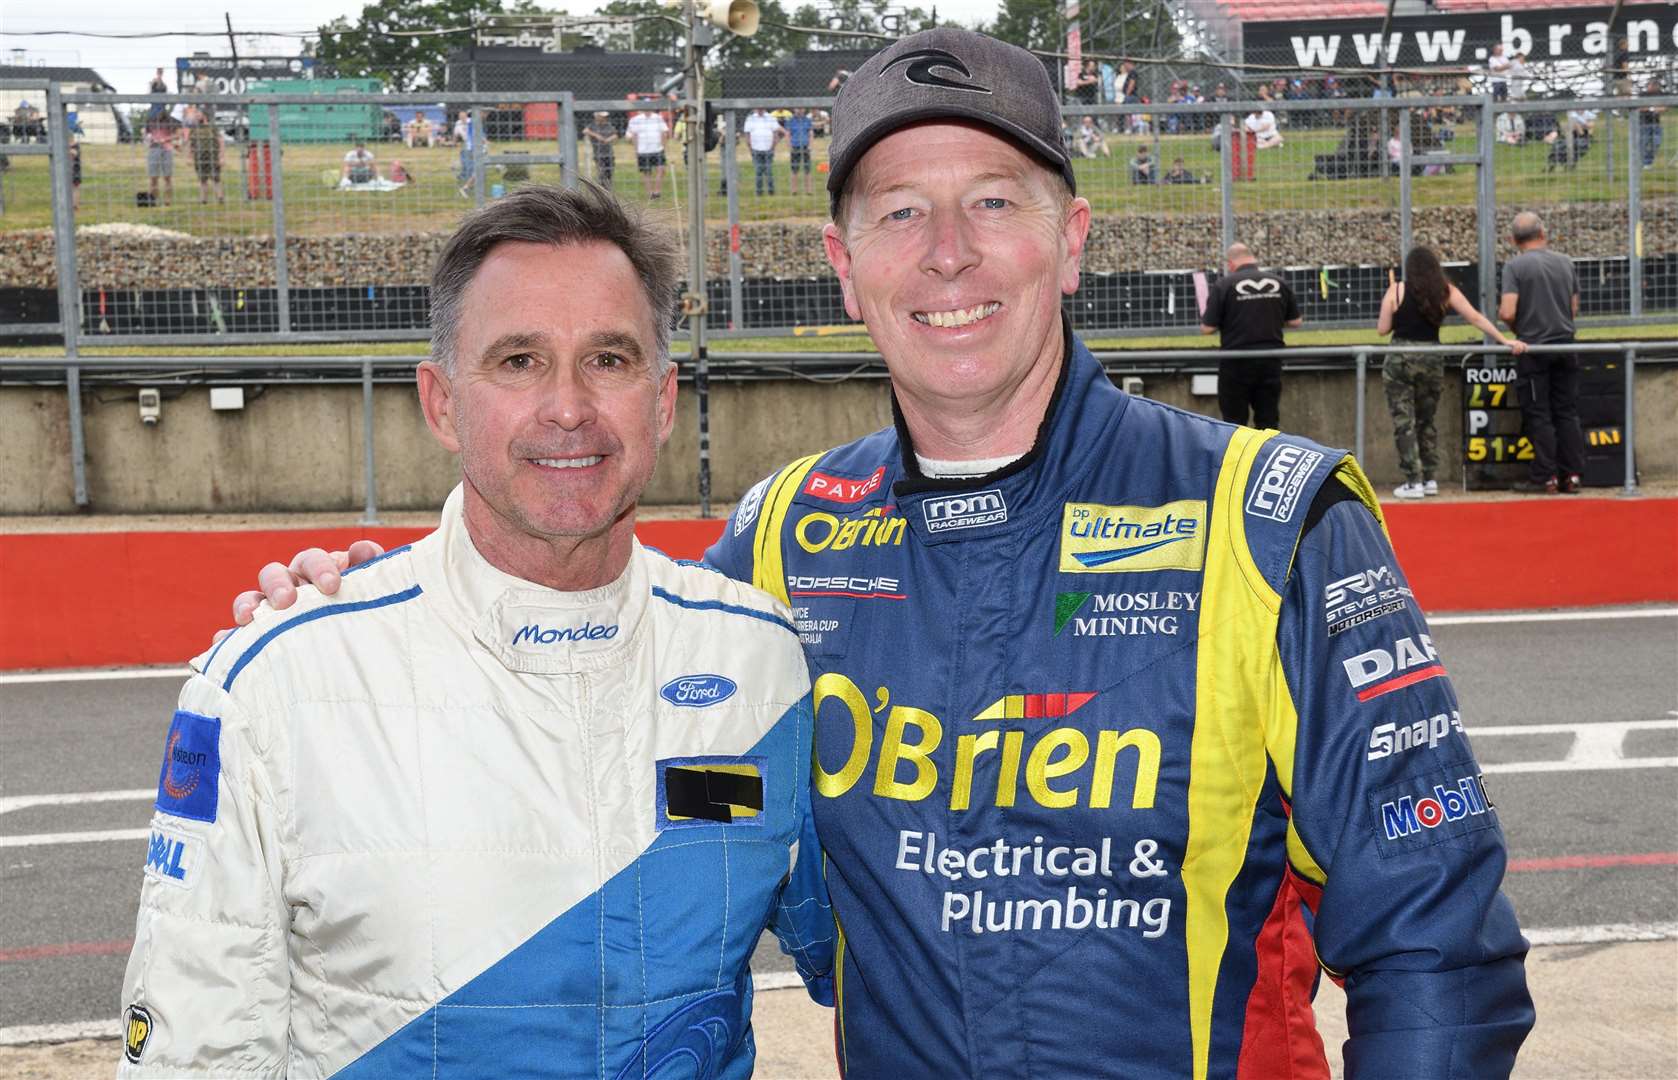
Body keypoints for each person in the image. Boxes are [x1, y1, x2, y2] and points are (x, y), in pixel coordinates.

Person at [235, 28, 1533, 1078]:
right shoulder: (782, 538)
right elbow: (566, 686)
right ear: (843, 267)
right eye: (898, 212)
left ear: (1071, 240)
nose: (947, 253)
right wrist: (360, 610)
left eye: (992, 202)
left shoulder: (1277, 518)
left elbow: (1444, 963)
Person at [117, 184, 834, 1077]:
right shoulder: (278, 678)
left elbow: (890, 975)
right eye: (519, 361)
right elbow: (195, 1055)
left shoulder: (761, 661)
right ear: (442, 402)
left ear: (661, 400)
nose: (568, 406)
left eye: (609, 359)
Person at [1377, 246, 1526, 499]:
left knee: (1405, 422)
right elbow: (1476, 318)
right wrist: (1504, 340)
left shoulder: (1397, 290)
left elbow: (1382, 329)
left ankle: (1413, 479)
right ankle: (1430, 479)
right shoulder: (1446, 291)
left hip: (1400, 359)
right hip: (1433, 359)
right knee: (1427, 420)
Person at [1498, 211, 1586, 494]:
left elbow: (1507, 310)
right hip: (1566, 345)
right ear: (1543, 234)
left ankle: (1544, 477)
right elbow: (1573, 308)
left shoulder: (1515, 267)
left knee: (1539, 413)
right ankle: (1571, 476)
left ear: (1513, 239)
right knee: (1567, 411)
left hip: (1533, 349)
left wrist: (1518, 328)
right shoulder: (1565, 262)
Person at [1200, 242, 1302, 428]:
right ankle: (1267, 456)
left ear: (1231, 263)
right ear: (1252, 258)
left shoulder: (1224, 285)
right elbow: (1296, 321)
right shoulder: (1279, 282)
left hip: (1236, 362)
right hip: (1270, 361)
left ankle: (1239, 458)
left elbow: (1207, 328)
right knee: (1268, 422)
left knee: (1234, 425)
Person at [626, 105, 669, 199]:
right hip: (642, 151)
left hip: (658, 149)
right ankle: (650, 194)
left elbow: (664, 132)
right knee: (646, 172)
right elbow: (630, 135)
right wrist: (636, 149)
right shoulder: (635, 119)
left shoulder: (658, 118)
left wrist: (664, 147)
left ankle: (657, 192)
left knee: (661, 170)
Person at [742, 106, 786, 196]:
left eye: (761, 108)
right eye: (758, 108)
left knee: (769, 171)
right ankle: (759, 192)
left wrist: (774, 144)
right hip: (756, 149)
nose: (760, 109)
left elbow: (777, 132)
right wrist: (750, 147)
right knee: (758, 171)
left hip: (768, 149)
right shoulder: (750, 119)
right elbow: (747, 134)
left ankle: (771, 191)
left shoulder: (770, 118)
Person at [143, 110, 180, 207]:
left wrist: (165, 139)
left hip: (167, 150)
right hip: (153, 149)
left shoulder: (170, 121)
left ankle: (167, 201)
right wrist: (149, 139)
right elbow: (145, 133)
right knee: (153, 178)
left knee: (167, 177)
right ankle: (153, 200)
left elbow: (177, 135)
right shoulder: (150, 120)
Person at [187, 106, 223, 204]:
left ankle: (220, 198)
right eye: (196, 114)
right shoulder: (194, 128)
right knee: (202, 179)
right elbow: (191, 144)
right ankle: (203, 199)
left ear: (204, 115)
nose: (196, 116)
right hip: (199, 157)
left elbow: (220, 141)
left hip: (212, 156)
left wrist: (221, 156)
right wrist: (189, 157)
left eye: (198, 114)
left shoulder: (212, 127)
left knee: (216, 178)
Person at [583, 110, 617, 190]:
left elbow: (615, 135)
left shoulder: (608, 125)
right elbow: (585, 131)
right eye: (602, 116)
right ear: (597, 116)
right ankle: (601, 189)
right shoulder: (592, 126)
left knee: (609, 173)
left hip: (609, 153)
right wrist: (596, 135)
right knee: (602, 173)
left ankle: (608, 189)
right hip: (599, 154)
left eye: (605, 116)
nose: (604, 118)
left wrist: (608, 139)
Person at [785, 106, 815, 196]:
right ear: (794, 109)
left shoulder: (807, 120)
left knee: (807, 170)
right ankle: (794, 191)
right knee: (794, 170)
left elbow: (811, 134)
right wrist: (789, 146)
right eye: (797, 108)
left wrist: (810, 145)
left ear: (804, 109)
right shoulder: (790, 121)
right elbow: (788, 134)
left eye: (801, 108)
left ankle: (809, 191)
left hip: (805, 147)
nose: (799, 110)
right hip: (795, 147)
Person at [1639, 79, 1666, 167]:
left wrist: (1650, 108)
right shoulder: (1642, 95)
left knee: (1656, 143)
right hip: (1644, 124)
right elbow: (1641, 108)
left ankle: (1648, 162)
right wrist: (1653, 109)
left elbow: (1664, 108)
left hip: (1656, 124)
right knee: (1644, 144)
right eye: (1652, 85)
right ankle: (1645, 163)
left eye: (1655, 86)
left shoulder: (1659, 95)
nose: (1654, 87)